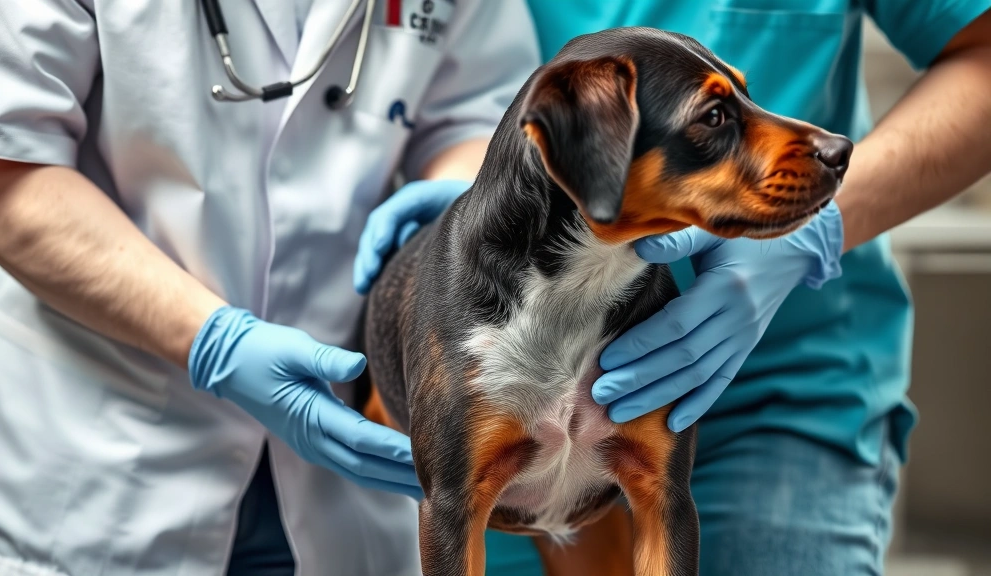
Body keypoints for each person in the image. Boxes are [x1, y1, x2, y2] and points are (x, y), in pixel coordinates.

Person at [354, 1, 991, 574]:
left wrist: (824, 227)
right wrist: (473, 194)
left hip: (788, 399)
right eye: (716, 115)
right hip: (504, 392)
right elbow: (454, 90)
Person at [0, 1, 541, 575]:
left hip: (348, 467)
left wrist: (465, 200)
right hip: (101, 458)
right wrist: (218, 343)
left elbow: (480, 120)